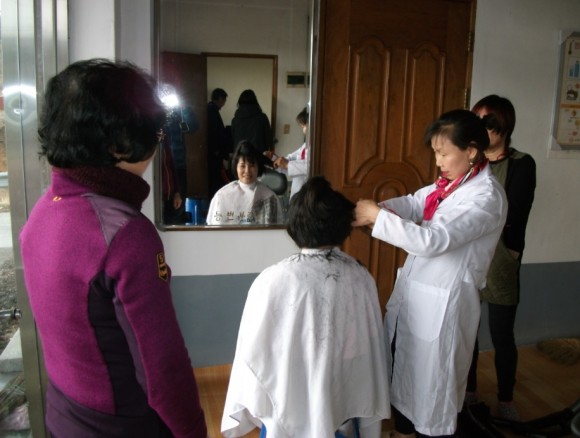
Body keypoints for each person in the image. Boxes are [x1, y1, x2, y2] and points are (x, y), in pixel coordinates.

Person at [19, 59, 207, 438]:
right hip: (120, 426)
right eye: (154, 133)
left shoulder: (43, 211)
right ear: (119, 144)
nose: (157, 143)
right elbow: (163, 369)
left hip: (63, 416)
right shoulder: (125, 235)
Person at [353, 109, 508, 438]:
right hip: (418, 299)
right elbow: (413, 203)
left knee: (432, 395)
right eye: (435, 152)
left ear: (471, 150)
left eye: (443, 153)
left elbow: (433, 240)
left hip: (445, 305)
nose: (438, 161)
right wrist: (381, 211)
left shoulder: (485, 197)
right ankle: (403, 432)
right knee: (404, 377)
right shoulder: (447, 186)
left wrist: (378, 217)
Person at [221, 176, 391, 438]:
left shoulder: (272, 280)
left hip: (289, 395)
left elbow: (253, 354)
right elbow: (367, 348)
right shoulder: (360, 276)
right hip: (340, 397)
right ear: (342, 227)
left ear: (294, 226)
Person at [466, 95, 536, 420]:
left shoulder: (522, 163)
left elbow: (516, 210)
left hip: (501, 256)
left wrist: (511, 251)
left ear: (504, 125)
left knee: (502, 334)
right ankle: (468, 392)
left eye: (488, 122)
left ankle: (506, 398)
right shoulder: (470, 161)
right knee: (467, 329)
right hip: (469, 254)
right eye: (476, 121)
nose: (480, 129)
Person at [206, 140, 283, 225]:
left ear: (258, 167)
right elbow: (216, 228)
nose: (247, 171)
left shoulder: (270, 197)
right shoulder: (222, 195)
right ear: (236, 167)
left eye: (252, 165)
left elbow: (276, 229)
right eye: (242, 166)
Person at [264, 106, 309, 198]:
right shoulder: (305, 146)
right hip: (298, 189)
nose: (303, 130)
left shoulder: (316, 147)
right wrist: (274, 158)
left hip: (307, 189)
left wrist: (287, 164)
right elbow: (292, 158)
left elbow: (308, 166)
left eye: (303, 126)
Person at [230, 89, 273, 165]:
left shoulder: (235, 120)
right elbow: (268, 139)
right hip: (258, 157)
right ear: (255, 101)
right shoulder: (262, 118)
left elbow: (233, 139)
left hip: (241, 157)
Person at [207, 88, 232, 198]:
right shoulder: (212, 110)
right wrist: (218, 150)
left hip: (212, 151)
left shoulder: (210, 109)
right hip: (214, 152)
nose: (224, 104)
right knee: (216, 179)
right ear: (220, 99)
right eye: (224, 100)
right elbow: (216, 132)